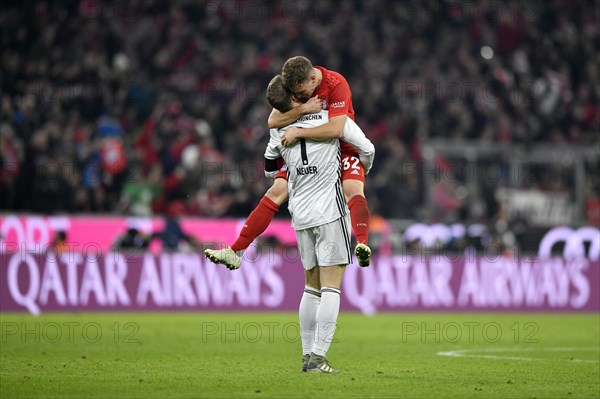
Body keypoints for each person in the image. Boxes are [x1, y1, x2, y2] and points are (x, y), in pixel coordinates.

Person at [205, 56, 374, 268]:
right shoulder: (296, 86)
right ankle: (235, 251)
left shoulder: (335, 83)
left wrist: (299, 133)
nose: (299, 96)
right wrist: (302, 110)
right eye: (295, 94)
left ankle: (362, 244)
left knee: (353, 189)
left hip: (341, 145)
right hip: (310, 152)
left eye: (301, 92)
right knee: (275, 192)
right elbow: (272, 120)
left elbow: (337, 129)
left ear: (313, 79)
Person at [266, 75, 354, 373]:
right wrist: (364, 160)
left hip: (300, 213)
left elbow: (270, 168)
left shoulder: (281, 126)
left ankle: (306, 356)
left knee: (310, 287)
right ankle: (318, 357)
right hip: (329, 210)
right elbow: (355, 139)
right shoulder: (328, 117)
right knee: (332, 287)